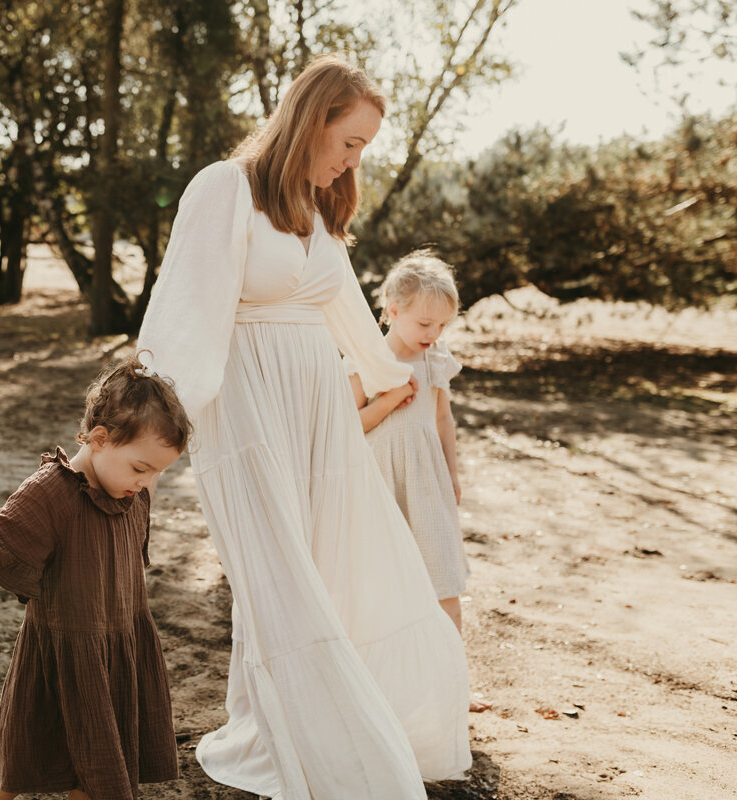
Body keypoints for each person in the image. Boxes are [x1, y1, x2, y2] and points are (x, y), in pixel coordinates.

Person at [137, 55, 472, 798]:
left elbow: (346, 307)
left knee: (331, 564)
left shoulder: (316, 210)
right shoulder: (226, 188)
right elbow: (183, 311)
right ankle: (309, 735)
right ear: (310, 120)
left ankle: (291, 720)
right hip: (249, 402)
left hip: (317, 406)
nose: (354, 160)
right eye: (349, 142)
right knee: (278, 569)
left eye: (363, 149)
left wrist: (389, 381)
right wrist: (153, 427)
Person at [0, 355, 189, 800]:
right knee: (19, 761)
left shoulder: (131, 496)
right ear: (99, 439)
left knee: (97, 767)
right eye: (140, 468)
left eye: (157, 472)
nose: (147, 482)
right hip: (62, 654)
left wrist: (140, 477)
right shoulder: (53, 490)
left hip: (113, 651)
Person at [348, 249, 492, 714]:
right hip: (380, 482)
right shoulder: (366, 357)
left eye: (443, 326)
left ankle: (453, 686)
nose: (433, 335)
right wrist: (388, 400)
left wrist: (452, 471)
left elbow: (444, 417)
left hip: (426, 480)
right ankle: (383, 686)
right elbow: (347, 426)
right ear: (392, 310)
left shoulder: (437, 359)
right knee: (384, 584)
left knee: (442, 580)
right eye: (424, 324)